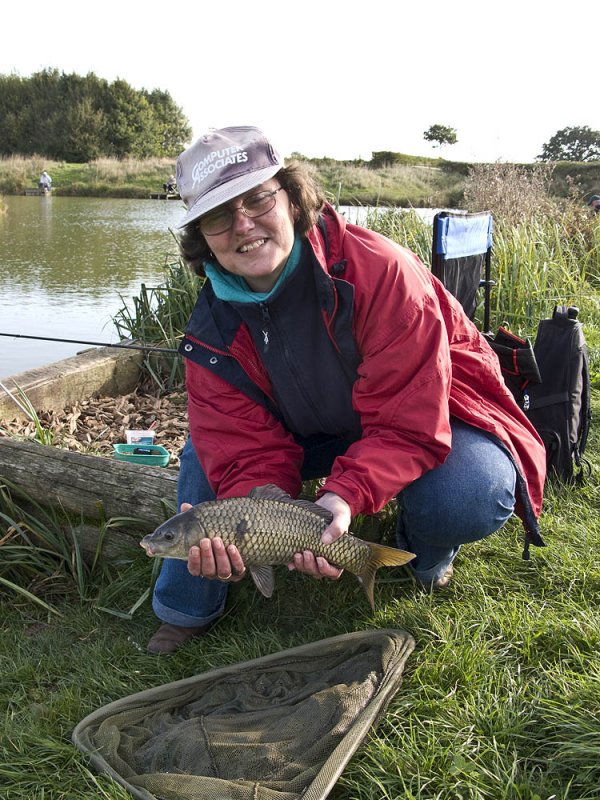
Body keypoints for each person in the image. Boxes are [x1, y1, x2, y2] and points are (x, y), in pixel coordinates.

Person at [147, 125, 547, 655]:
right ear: (202, 236)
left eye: (258, 198)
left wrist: (341, 497)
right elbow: (242, 444)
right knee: (204, 454)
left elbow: (409, 418)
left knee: (468, 493)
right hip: (307, 428)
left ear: (290, 197)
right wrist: (276, 513)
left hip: (425, 412)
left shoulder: (380, 270)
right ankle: (188, 605)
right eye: (219, 215)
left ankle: (423, 554)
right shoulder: (210, 328)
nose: (243, 224)